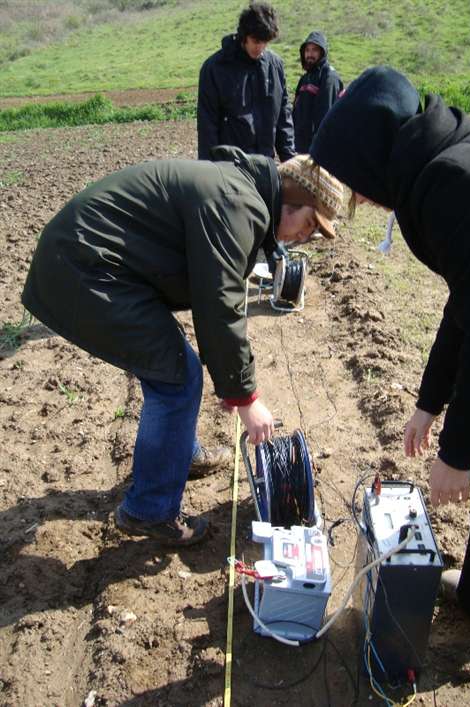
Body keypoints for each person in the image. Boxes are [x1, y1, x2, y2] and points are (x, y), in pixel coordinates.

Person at [309, 64, 470, 706]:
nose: (359, 195)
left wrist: (455, 455)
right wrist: (430, 402)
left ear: (371, 158)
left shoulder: (448, 185)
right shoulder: (445, 167)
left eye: (353, 178)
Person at [21, 147, 343, 548]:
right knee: (177, 378)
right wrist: (245, 397)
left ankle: (180, 454)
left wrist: (232, 382)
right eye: (309, 225)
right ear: (292, 200)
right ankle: (150, 511)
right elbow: (219, 306)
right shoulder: (238, 203)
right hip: (84, 269)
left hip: (94, 263)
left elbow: (217, 301)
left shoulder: (240, 194)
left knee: (174, 365)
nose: (305, 238)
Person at [197, 2, 295, 162]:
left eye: (266, 42)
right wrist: (209, 170)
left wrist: (290, 161)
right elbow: (207, 125)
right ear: (244, 36)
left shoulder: (275, 66)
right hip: (229, 169)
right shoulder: (215, 69)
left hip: (265, 166)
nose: (261, 47)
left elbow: (284, 117)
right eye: (256, 41)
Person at [292, 31, 344, 153]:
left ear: (322, 52)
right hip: (301, 147)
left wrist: (319, 149)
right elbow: (296, 110)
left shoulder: (329, 77)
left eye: (314, 50)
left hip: (319, 149)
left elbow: (325, 115)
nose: (310, 54)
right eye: (307, 50)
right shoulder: (305, 78)